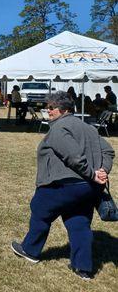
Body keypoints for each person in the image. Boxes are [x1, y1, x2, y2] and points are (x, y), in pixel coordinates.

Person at [11, 91, 113, 280]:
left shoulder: (59, 128)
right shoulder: (88, 128)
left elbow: (73, 156)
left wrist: (94, 173)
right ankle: (83, 269)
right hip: (88, 188)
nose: (47, 111)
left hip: (63, 184)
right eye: (47, 107)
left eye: (51, 107)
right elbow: (108, 151)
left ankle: (29, 250)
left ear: (64, 110)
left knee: (40, 211)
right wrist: (102, 171)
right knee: (79, 222)